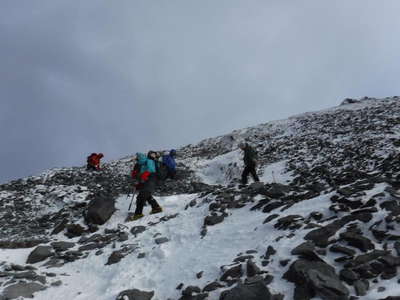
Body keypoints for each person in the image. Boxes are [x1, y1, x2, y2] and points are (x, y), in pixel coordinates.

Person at [130, 152, 162, 221]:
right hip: (148, 181)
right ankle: (156, 208)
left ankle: (138, 214)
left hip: (150, 180)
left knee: (141, 197)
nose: (137, 160)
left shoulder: (148, 160)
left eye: (137, 159)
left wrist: (143, 176)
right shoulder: (142, 164)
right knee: (147, 195)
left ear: (140, 157)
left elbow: (151, 169)